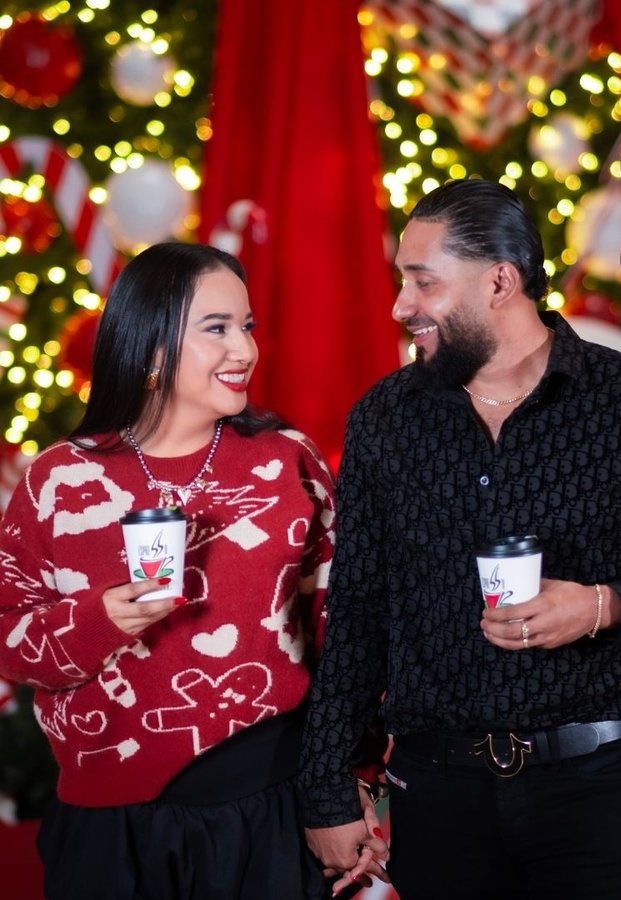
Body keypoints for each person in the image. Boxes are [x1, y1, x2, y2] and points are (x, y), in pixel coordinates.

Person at [298, 179, 621, 900]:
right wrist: (328, 783)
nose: (402, 306)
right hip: (436, 793)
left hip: (599, 791)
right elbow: (358, 607)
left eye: (423, 282)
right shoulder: (384, 420)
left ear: (499, 281)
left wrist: (602, 607)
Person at [0, 243, 364, 899]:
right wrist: (98, 619)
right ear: (153, 345)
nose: (245, 350)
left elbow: (344, 636)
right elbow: (8, 641)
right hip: (108, 829)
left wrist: (346, 784)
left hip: (266, 806)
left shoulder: (289, 463)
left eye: (246, 327)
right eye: (217, 328)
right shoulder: (57, 480)